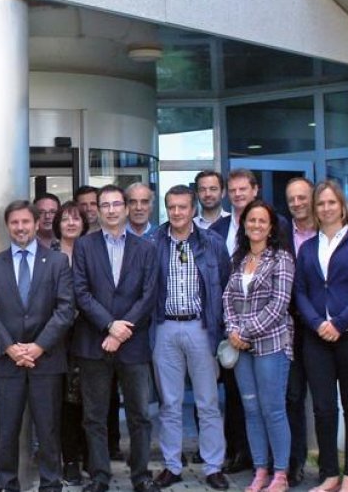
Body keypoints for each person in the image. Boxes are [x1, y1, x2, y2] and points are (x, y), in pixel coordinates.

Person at [0, 200, 75, 492]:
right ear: (8, 226)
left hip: (47, 360)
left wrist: (38, 347)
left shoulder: (57, 262)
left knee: (48, 429)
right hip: (7, 362)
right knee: (7, 432)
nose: (20, 227)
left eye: (25, 222)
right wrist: (9, 348)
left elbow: (65, 309)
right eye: (15, 223)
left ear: (36, 224)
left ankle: (51, 484)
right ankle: (7, 485)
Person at [72, 185, 159, 492]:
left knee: (139, 415)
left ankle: (141, 476)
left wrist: (122, 331)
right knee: (94, 417)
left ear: (125, 208)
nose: (110, 210)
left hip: (133, 344)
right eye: (104, 205)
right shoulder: (84, 246)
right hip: (94, 342)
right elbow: (80, 292)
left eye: (115, 204)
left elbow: (149, 296)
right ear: (97, 209)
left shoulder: (146, 249)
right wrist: (110, 326)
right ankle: (99, 477)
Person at [292, 180, 348, 492]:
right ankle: (329, 474)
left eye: (331, 202)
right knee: (323, 408)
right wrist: (316, 323)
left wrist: (339, 322)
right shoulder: (307, 247)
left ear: (342, 206)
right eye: (320, 204)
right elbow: (300, 290)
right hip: (316, 338)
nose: (325, 208)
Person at [151, 185, 231, 490]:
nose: (176, 213)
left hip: (201, 327)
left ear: (193, 208)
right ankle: (172, 465)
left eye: (182, 207)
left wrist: (219, 329)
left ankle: (213, 467)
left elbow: (222, 286)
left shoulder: (213, 243)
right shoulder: (154, 242)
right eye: (171, 207)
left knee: (207, 402)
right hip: (165, 327)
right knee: (169, 403)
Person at [224, 200, 296, 492]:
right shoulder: (239, 258)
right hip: (240, 348)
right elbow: (227, 298)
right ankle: (260, 470)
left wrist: (245, 332)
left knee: (273, 409)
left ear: (270, 226)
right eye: (251, 220)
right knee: (251, 409)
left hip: (271, 345)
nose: (255, 225)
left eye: (261, 221)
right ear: (244, 225)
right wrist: (231, 330)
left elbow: (279, 305)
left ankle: (280, 473)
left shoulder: (282, 259)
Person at [52, 200, 89, 484]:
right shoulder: (49, 254)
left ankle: (91, 455)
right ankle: (70, 460)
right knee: (65, 401)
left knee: (89, 399)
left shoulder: (93, 250)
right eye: (65, 219)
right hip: (56, 338)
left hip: (89, 334)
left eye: (77, 219)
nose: (71, 223)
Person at [283, 177, 315, 485]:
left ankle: (332, 467)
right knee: (292, 397)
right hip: (290, 327)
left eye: (302, 197)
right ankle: (295, 461)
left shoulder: (329, 234)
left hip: (321, 326)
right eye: (291, 199)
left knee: (321, 400)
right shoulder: (282, 233)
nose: (297, 203)